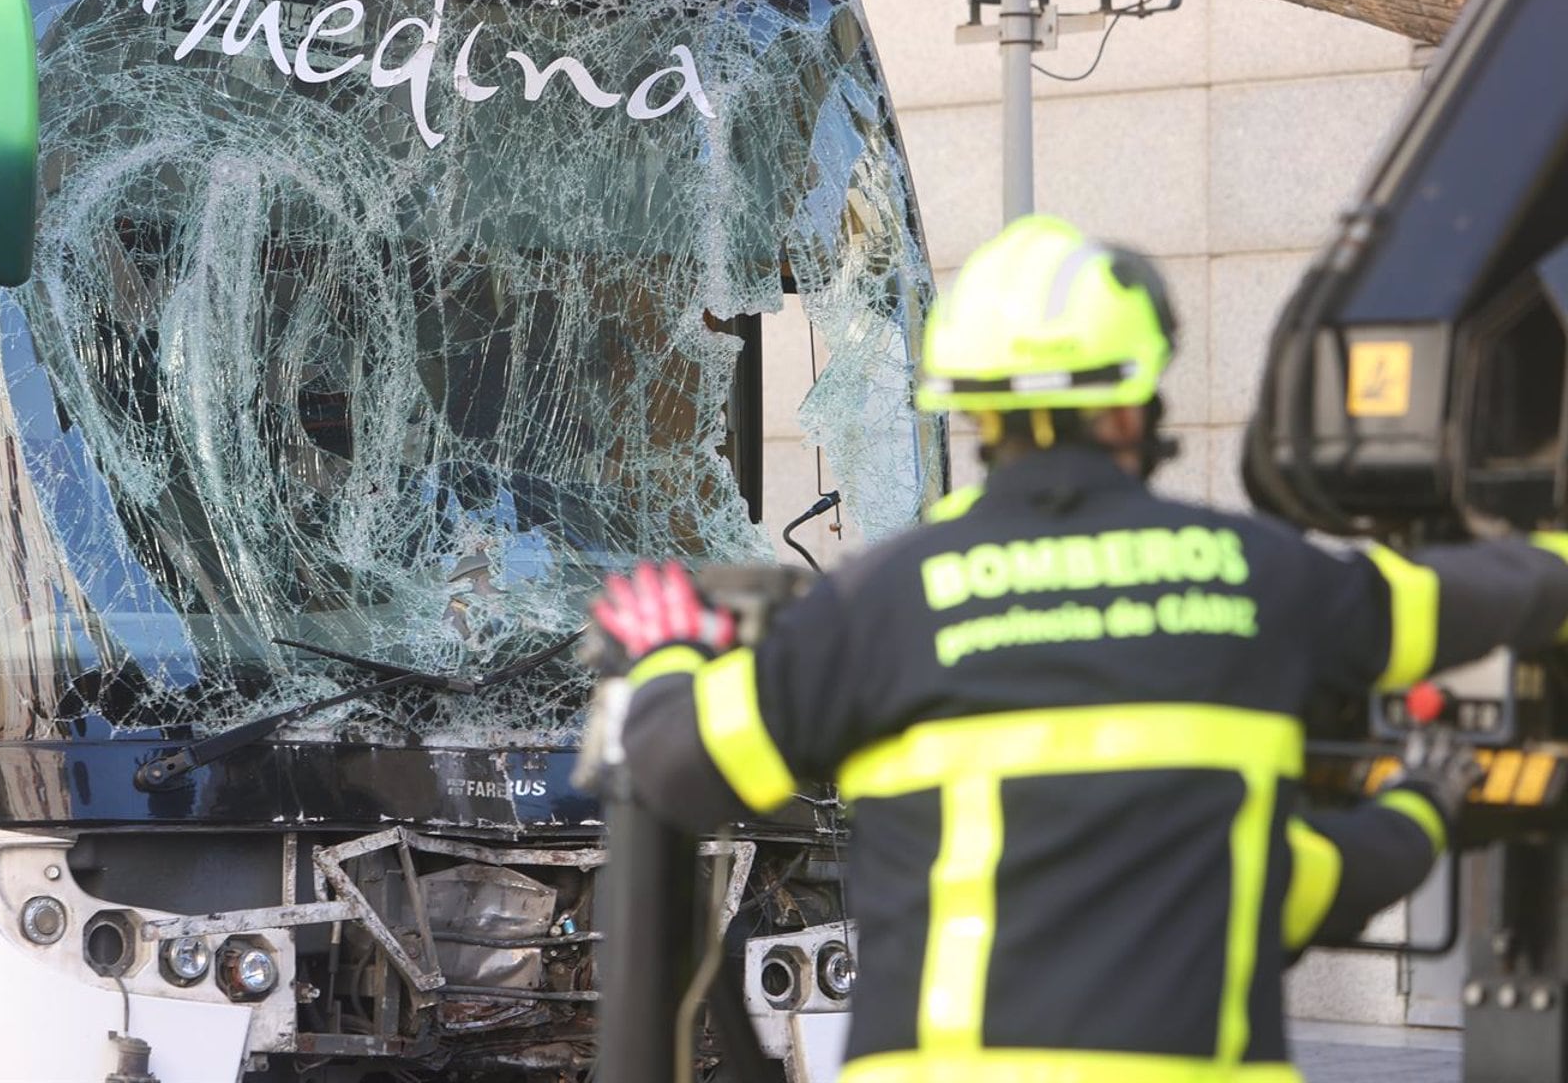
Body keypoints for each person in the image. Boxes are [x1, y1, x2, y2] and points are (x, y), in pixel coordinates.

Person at [591, 214, 1568, 1082]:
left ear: (973, 409)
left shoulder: (881, 603)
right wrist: (1424, 806)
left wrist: (673, 648)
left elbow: (675, 764)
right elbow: (1483, 598)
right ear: (1132, 401)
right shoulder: (1262, 577)